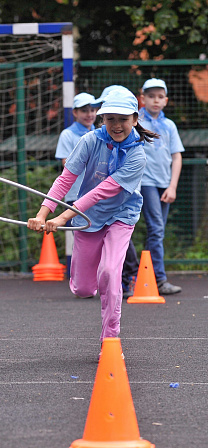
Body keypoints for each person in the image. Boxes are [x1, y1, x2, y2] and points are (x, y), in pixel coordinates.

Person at [27, 88, 157, 357]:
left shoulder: (138, 155)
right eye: (110, 118)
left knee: (110, 272)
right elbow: (66, 178)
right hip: (88, 219)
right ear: (102, 119)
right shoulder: (89, 140)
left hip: (121, 216)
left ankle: (110, 340)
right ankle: (95, 279)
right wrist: (43, 212)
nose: (116, 125)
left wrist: (63, 216)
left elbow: (102, 191)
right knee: (83, 288)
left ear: (135, 118)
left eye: (122, 119)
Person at [120, 79, 184, 297]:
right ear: (142, 99)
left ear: (165, 100)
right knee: (155, 228)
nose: (155, 100)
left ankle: (144, 276)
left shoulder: (170, 126)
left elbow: (176, 157)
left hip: (164, 184)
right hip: (143, 183)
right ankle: (159, 279)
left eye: (160, 96)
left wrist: (172, 186)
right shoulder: (136, 122)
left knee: (157, 232)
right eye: (150, 96)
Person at [55, 92, 99, 279]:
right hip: (75, 194)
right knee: (81, 239)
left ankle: (98, 278)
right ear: (74, 112)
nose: (89, 114)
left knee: (98, 236)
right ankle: (81, 279)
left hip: (96, 194)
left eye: (92, 109)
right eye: (84, 110)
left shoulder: (99, 133)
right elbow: (67, 162)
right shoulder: (68, 134)